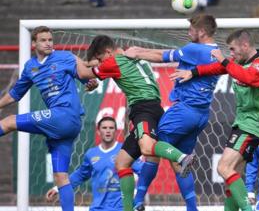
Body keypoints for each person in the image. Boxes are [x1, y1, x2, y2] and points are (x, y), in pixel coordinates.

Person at [76, 35, 196, 211]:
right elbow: (99, 67)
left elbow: (83, 73)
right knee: (121, 162)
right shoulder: (132, 53)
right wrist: (93, 65)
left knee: (148, 149)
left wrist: (71, 58)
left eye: (100, 59)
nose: (100, 63)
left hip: (143, 109)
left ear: (107, 52)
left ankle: (181, 156)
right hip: (152, 107)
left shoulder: (113, 63)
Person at [124, 13, 220, 211]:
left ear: (201, 32)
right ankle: (192, 208)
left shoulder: (195, 49)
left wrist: (137, 53)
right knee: (179, 160)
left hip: (185, 110)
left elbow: (162, 56)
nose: (188, 33)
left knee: (153, 146)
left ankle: (138, 199)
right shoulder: (215, 51)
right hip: (201, 114)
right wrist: (140, 49)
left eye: (191, 29)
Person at [169, 29, 259, 211]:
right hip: (242, 124)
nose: (230, 54)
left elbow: (247, 77)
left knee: (223, 167)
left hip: (252, 125)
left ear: (245, 45)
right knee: (232, 179)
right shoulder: (237, 62)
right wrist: (193, 72)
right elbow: (217, 68)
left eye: (233, 49)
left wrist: (223, 59)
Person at [0, 26, 98, 211]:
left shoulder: (65, 57)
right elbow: (15, 94)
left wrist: (91, 82)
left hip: (65, 115)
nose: (48, 43)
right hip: (65, 125)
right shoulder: (30, 67)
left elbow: (86, 76)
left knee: (10, 121)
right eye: (43, 40)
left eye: (50, 40)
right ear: (34, 43)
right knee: (61, 176)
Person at [45, 116, 144, 211]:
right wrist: (58, 188)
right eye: (104, 128)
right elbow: (80, 176)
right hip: (97, 208)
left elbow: (143, 172)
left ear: (116, 131)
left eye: (111, 128)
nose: (108, 131)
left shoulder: (125, 151)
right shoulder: (91, 154)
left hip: (121, 208)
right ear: (98, 131)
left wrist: (137, 193)